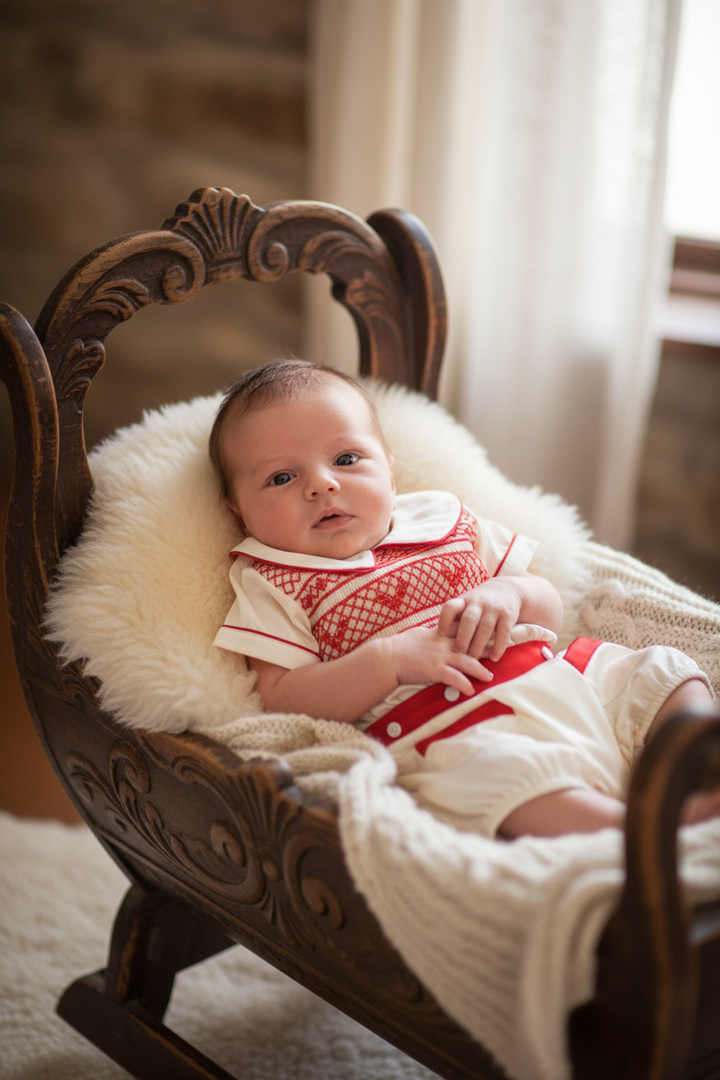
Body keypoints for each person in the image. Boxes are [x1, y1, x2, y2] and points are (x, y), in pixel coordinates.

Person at [210, 360, 716, 839]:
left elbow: (548, 608)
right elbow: (283, 699)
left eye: (346, 459)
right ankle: (645, 834)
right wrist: (386, 662)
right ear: (238, 512)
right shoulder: (272, 580)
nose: (323, 484)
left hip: (558, 679)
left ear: (389, 471)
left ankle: (696, 776)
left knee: (662, 668)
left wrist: (508, 592)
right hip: (451, 729)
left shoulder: (442, 519)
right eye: (282, 478)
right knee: (506, 779)